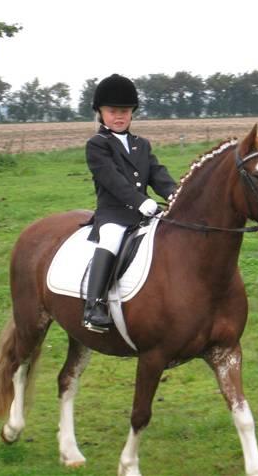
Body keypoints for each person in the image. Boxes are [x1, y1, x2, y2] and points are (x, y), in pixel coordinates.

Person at [82, 74, 177, 332]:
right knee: (111, 238)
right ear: (101, 113)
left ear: (132, 112)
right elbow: (112, 180)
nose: (119, 116)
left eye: (124, 111)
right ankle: (94, 306)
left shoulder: (141, 145)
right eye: (112, 111)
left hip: (143, 214)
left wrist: (176, 195)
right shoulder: (97, 145)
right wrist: (140, 201)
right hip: (113, 215)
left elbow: (158, 174)